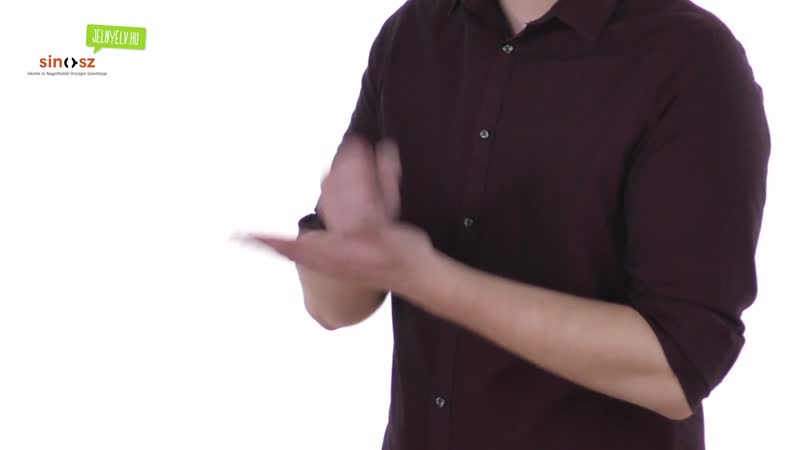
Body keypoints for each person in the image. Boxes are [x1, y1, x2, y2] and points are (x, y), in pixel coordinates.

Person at [243, 0, 771, 448]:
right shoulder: (415, 31)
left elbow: (677, 367)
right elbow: (333, 307)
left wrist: (431, 281)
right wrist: (349, 256)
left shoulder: (690, 59)